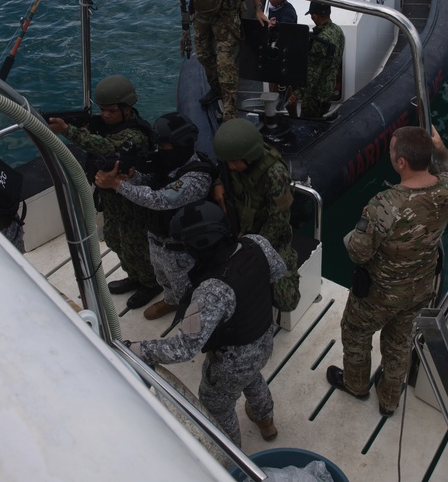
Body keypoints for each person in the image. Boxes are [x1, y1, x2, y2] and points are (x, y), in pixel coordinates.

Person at [326, 125, 448, 417]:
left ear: (401, 162)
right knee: (399, 343)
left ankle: (356, 386)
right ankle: (389, 401)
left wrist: (350, 237)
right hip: (420, 289)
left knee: (355, 333)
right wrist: (440, 148)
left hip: (379, 294)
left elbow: (358, 252)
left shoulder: (384, 206)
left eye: (392, 150)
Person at [127, 201, 285, 446]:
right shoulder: (258, 243)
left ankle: (233, 459)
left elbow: (182, 349)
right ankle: (266, 422)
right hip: (264, 341)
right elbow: (277, 272)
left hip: (230, 364)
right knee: (252, 376)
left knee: (217, 406)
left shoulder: (210, 293)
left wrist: (135, 349)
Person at [47, 75, 161, 309]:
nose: (105, 115)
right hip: (111, 199)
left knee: (136, 245)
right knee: (115, 239)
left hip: (131, 199)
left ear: (126, 109)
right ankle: (134, 276)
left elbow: (106, 146)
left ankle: (150, 283)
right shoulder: (106, 125)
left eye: (111, 111)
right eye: (103, 110)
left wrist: (69, 130)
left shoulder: (135, 133)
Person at [95, 112, 216, 320]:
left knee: (184, 286)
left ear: (181, 144)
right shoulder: (168, 162)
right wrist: (133, 177)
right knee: (162, 278)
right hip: (156, 237)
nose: (160, 150)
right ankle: (170, 301)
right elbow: (150, 180)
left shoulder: (197, 175)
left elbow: (160, 199)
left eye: (165, 145)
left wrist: (117, 185)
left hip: (179, 247)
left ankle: (189, 313)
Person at [211, 118, 299, 312]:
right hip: (237, 231)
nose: (231, 167)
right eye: (228, 162)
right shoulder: (232, 161)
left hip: (270, 240)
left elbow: (278, 222)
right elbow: (223, 172)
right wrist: (218, 184)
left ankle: (289, 261)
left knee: (287, 301)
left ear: (249, 156)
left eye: (234, 162)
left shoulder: (275, 175)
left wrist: (252, 252)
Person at [287, 1, 344, 118]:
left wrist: (297, 94)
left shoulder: (320, 41)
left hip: (315, 96)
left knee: (308, 124)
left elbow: (312, 75)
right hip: (328, 90)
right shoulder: (338, 31)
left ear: (315, 16)